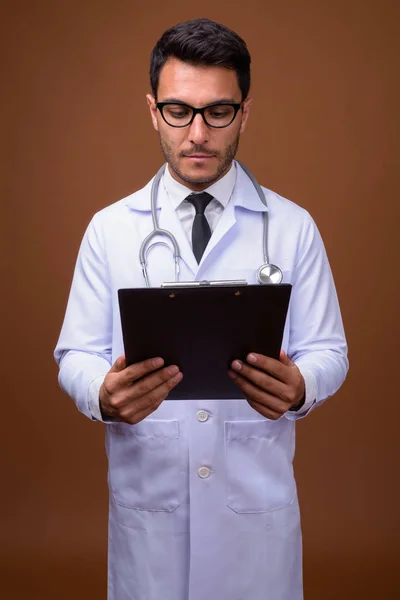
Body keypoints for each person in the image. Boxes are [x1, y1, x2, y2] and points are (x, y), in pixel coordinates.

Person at [54, 18, 348, 600]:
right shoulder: (110, 230)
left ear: (244, 112)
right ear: (152, 110)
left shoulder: (292, 228)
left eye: (218, 112)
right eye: (178, 110)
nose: (197, 134)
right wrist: (101, 394)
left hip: (253, 518)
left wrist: (301, 386)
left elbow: (329, 351)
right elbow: (75, 354)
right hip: (152, 515)